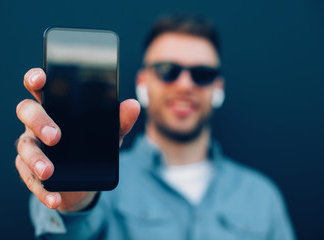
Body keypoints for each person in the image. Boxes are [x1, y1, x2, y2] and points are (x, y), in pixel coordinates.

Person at [15, 14, 295, 239]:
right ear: (142, 83)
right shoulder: (102, 183)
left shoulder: (262, 197)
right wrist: (72, 203)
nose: (185, 85)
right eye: (167, 71)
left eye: (202, 74)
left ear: (217, 88)